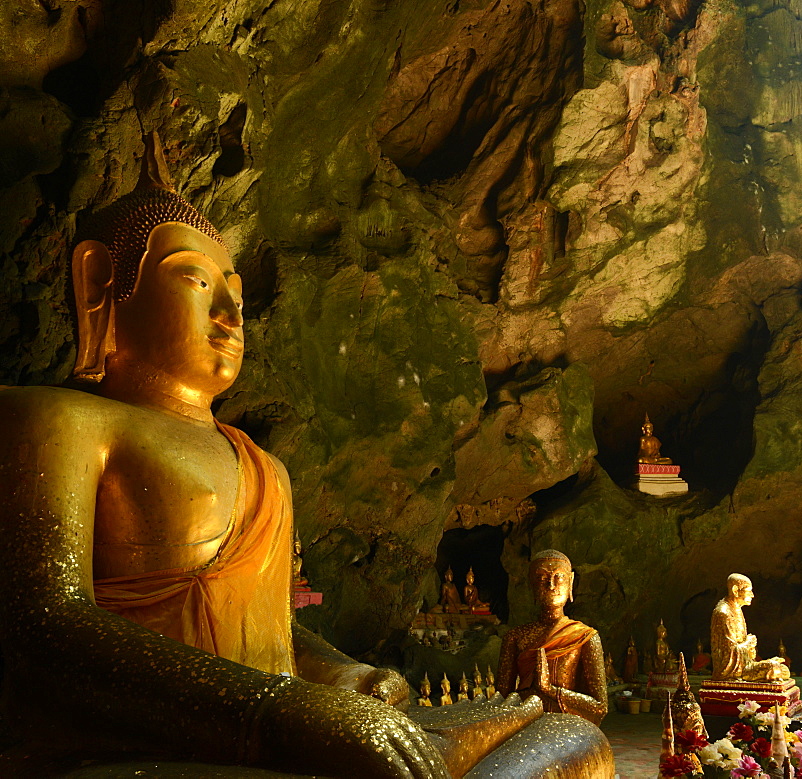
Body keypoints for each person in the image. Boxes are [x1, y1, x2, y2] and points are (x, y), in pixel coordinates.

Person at [0, 144, 613, 777]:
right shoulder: (55, 421)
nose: (231, 314)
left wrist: (346, 675)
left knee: (565, 733)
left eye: (237, 294)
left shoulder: (264, 466)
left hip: (288, 723)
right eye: (197, 282)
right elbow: (44, 633)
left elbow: (276, 635)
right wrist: (278, 712)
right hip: (152, 745)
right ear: (101, 281)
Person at [497, 549, 609, 725]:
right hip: (526, 725)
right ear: (531, 585)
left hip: (569, 728)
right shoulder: (515, 637)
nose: (551, 585)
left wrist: (550, 690)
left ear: (570, 582)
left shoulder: (585, 636)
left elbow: (600, 707)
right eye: (541, 578)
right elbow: (501, 702)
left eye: (559, 577)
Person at [709, 573, 789, 682]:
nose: (752, 595)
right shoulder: (723, 613)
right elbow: (728, 652)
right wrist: (748, 644)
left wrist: (751, 651)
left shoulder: (736, 609)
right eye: (748, 591)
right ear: (735, 590)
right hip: (731, 672)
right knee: (774, 669)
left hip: (744, 666)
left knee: (783, 669)